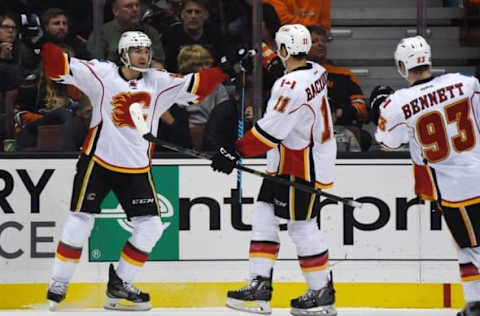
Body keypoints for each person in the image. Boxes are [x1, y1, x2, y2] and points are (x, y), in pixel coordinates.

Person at [42, 30, 243, 310]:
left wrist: (222, 69)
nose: (143, 55)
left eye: (147, 50)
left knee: (150, 227)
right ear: (123, 54)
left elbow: (195, 86)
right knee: (81, 219)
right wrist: (43, 42)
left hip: (137, 167)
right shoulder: (102, 73)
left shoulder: (158, 82)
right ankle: (59, 281)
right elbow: (58, 67)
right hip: (98, 162)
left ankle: (120, 282)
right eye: (137, 50)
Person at [210, 24, 337, 316]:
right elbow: (285, 67)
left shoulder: (290, 86)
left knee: (302, 226)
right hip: (291, 160)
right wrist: (261, 60)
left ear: (283, 51)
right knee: (264, 215)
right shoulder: (316, 70)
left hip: (299, 163)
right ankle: (259, 285)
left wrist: (234, 151)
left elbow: (270, 132)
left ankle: (321, 292)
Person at [374, 35, 480, 316]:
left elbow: (388, 143)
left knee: (471, 248)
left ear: (401, 66)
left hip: (456, 189)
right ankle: (474, 305)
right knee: (469, 247)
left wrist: (380, 109)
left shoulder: (397, 103)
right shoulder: (466, 82)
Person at [307, 25, 371, 151]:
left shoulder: (344, 74)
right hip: (307, 133)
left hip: (343, 130)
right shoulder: (293, 76)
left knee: (364, 137)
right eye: (314, 41)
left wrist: (340, 113)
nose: (320, 44)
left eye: (323, 41)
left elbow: (362, 109)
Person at [87, 0, 165, 68]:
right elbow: (95, 66)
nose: (135, 9)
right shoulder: (101, 33)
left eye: (137, 5)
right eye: (129, 6)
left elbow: (158, 65)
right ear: (115, 11)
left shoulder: (150, 32)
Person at [161, 0, 227, 72]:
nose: (193, 16)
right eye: (189, 12)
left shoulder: (215, 35)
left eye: (197, 12)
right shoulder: (170, 36)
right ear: (182, 15)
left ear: (206, 15)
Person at [263, 0, 332, 40]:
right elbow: (280, 20)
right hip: (283, 41)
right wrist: (312, 29)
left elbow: (325, 29)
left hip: (311, 47)